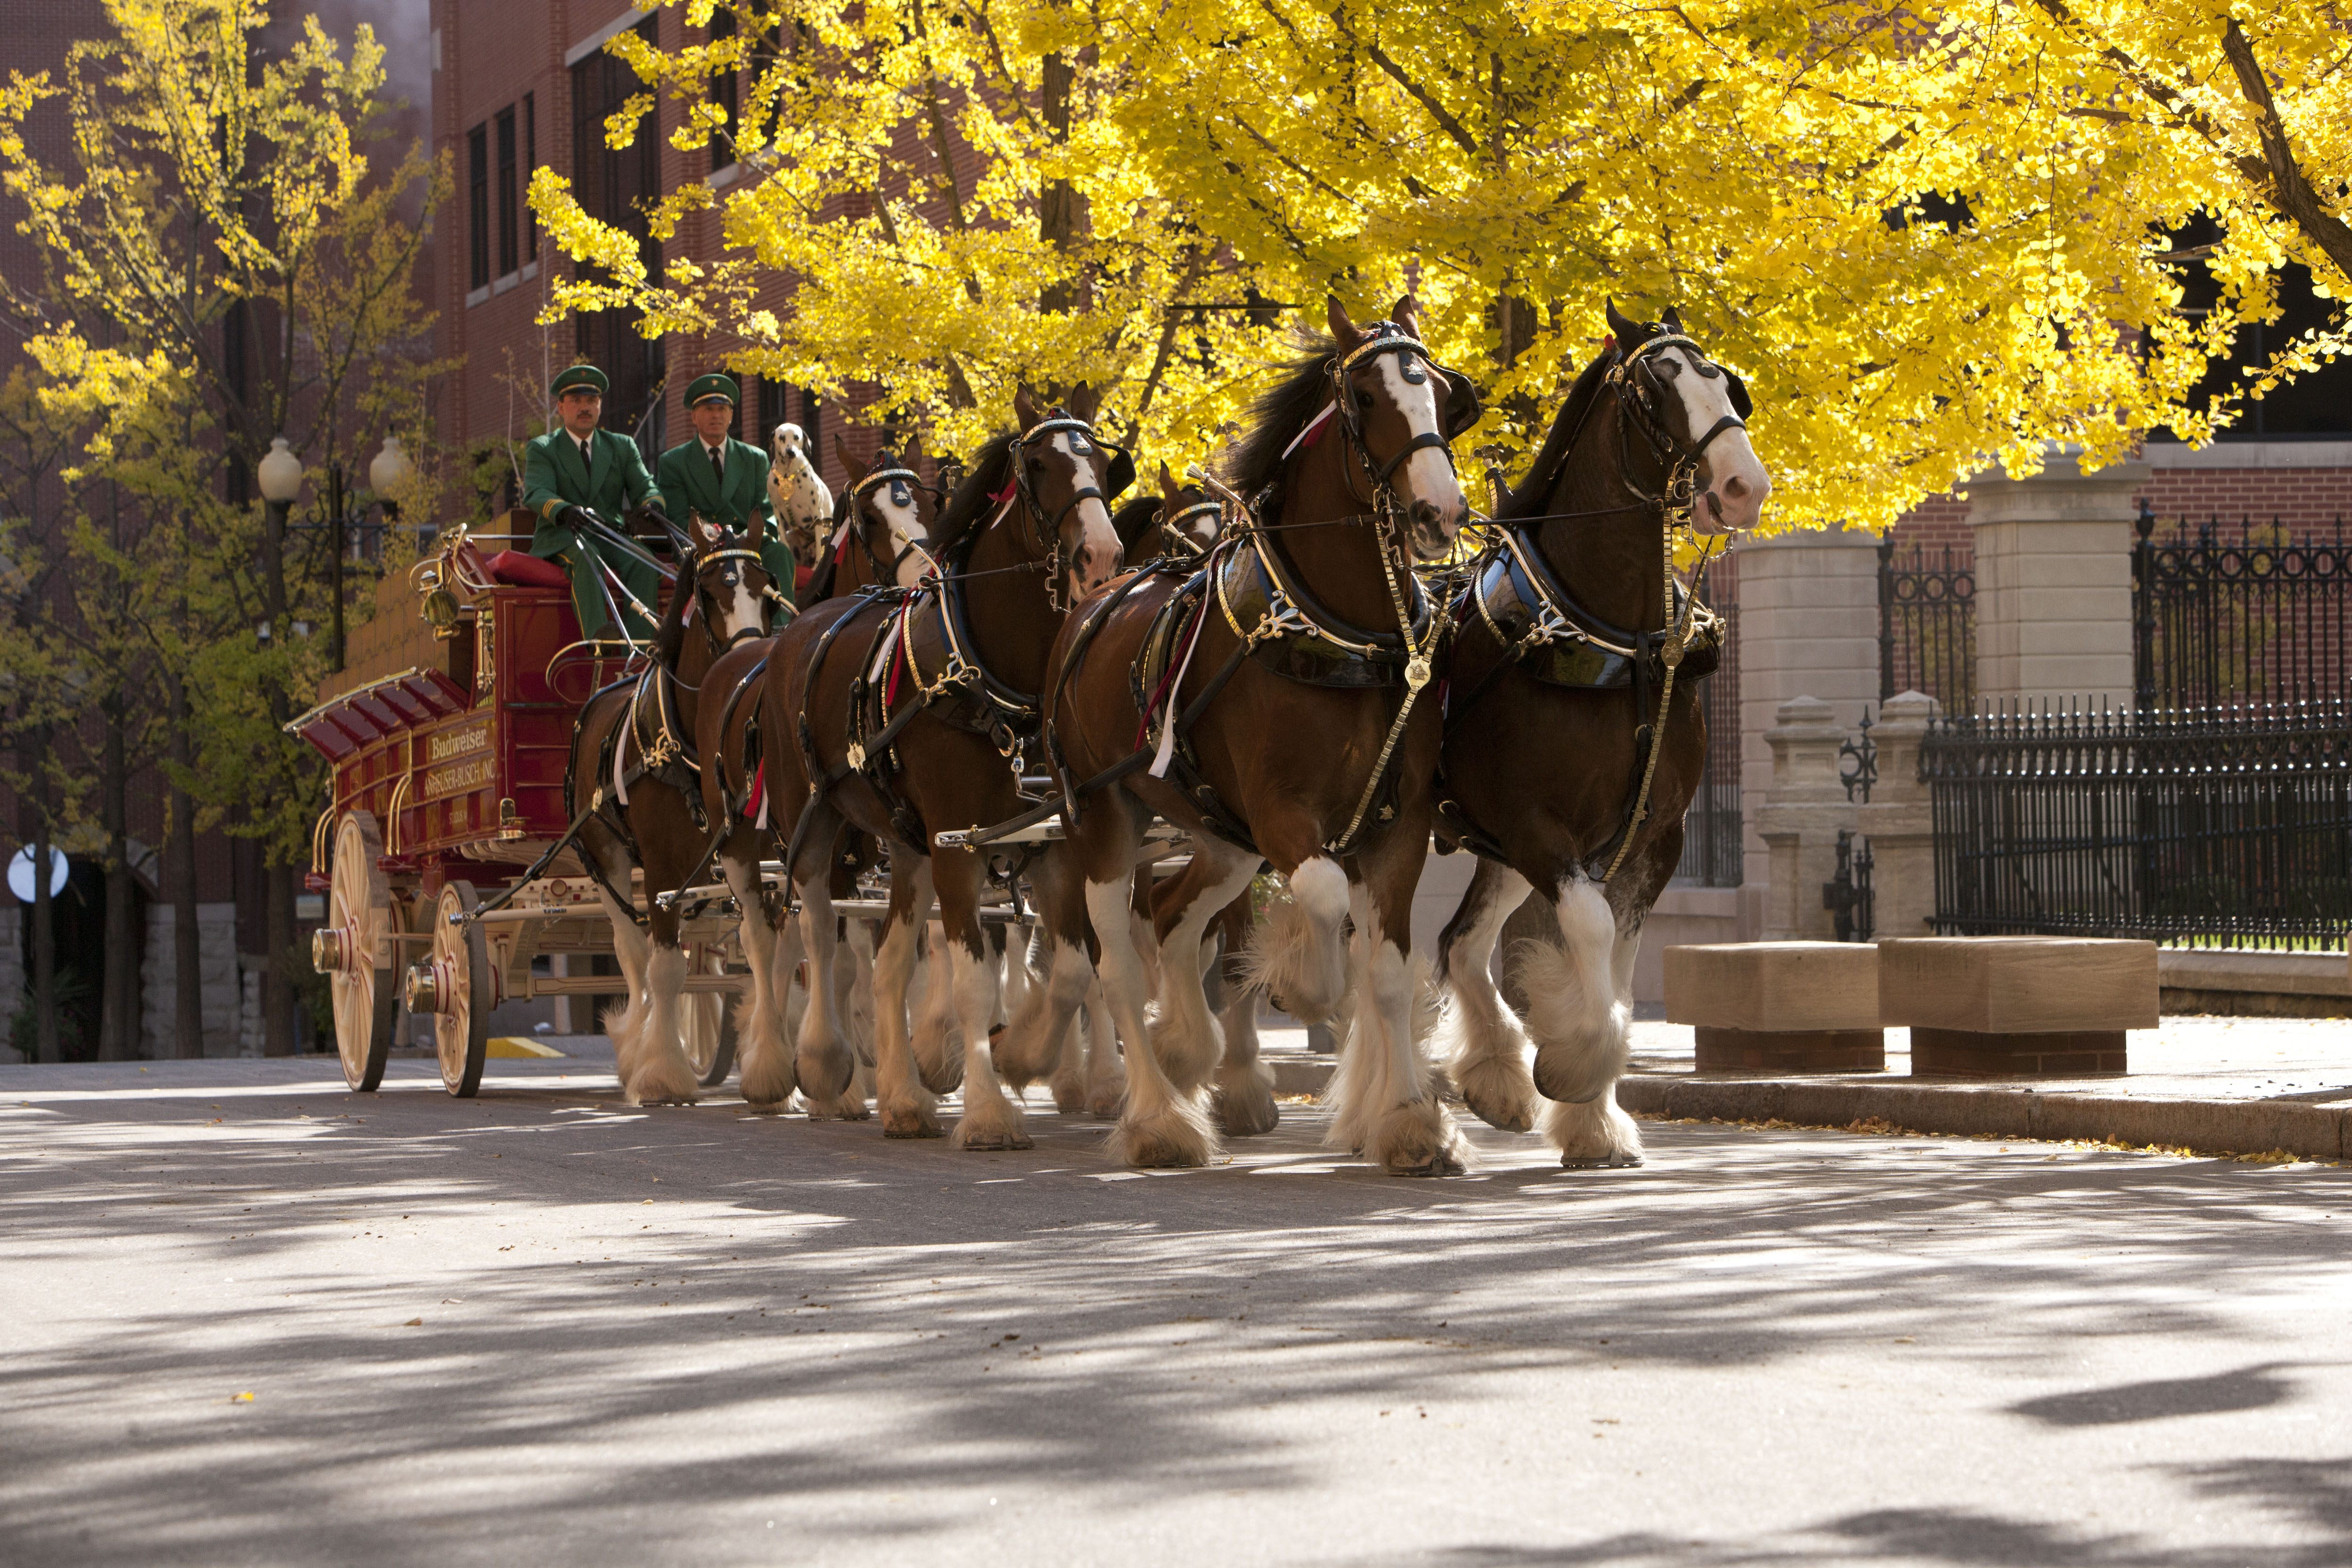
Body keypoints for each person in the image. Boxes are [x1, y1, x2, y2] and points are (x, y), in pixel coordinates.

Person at [523, 363, 663, 641]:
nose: (584, 407)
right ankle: (599, 639)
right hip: (562, 536)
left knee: (645, 560)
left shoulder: (621, 446)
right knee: (587, 557)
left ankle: (641, 648)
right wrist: (564, 511)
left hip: (609, 534)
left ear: (600, 406)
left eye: (592, 401)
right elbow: (537, 492)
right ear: (561, 408)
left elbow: (644, 485)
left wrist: (652, 504)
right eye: (576, 401)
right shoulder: (543, 448)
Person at [656, 372, 798, 606]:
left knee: (779, 553)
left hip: (746, 541)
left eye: (722, 409)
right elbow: (680, 519)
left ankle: (783, 627)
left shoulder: (754, 458)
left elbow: (765, 511)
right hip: (703, 545)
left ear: (731, 415)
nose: (716, 415)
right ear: (694, 416)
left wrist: (755, 536)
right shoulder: (674, 462)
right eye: (708, 409)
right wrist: (709, 540)